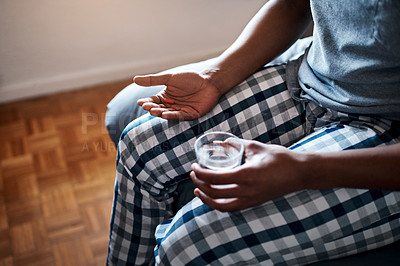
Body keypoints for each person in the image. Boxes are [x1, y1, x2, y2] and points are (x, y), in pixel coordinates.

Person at [106, 0, 400, 265]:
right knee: (138, 147)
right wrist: (214, 78)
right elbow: (291, 5)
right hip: (312, 79)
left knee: (187, 246)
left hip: (388, 129)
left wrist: (304, 171)